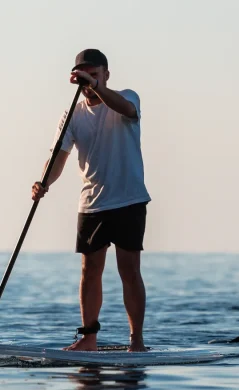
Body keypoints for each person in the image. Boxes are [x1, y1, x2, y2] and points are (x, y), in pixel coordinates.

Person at [32, 49, 151, 352]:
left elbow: (125, 108)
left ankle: (136, 340)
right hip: (92, 203)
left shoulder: (127, 97)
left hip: (128, 199)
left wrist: (96, 87)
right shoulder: (72, 115)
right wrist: (43, 183)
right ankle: (89, 338)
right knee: (90, 270)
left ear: (105, 74)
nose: (88, 82)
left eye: (94, 75)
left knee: (129, 269)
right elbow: (58, 157)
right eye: (83, 76)